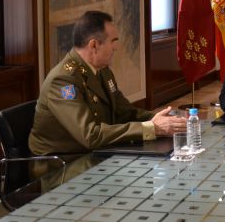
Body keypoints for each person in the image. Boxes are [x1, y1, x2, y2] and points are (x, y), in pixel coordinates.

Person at [29, 11, 186, 155]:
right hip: (61, 166)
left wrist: (166, 121)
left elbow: (124, 112)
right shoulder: (63, 80)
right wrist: (152, 128)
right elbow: (90, 135)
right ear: (94, 45)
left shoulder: (102, 71)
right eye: (113, 41)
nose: (116, 47)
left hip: (95, 153)